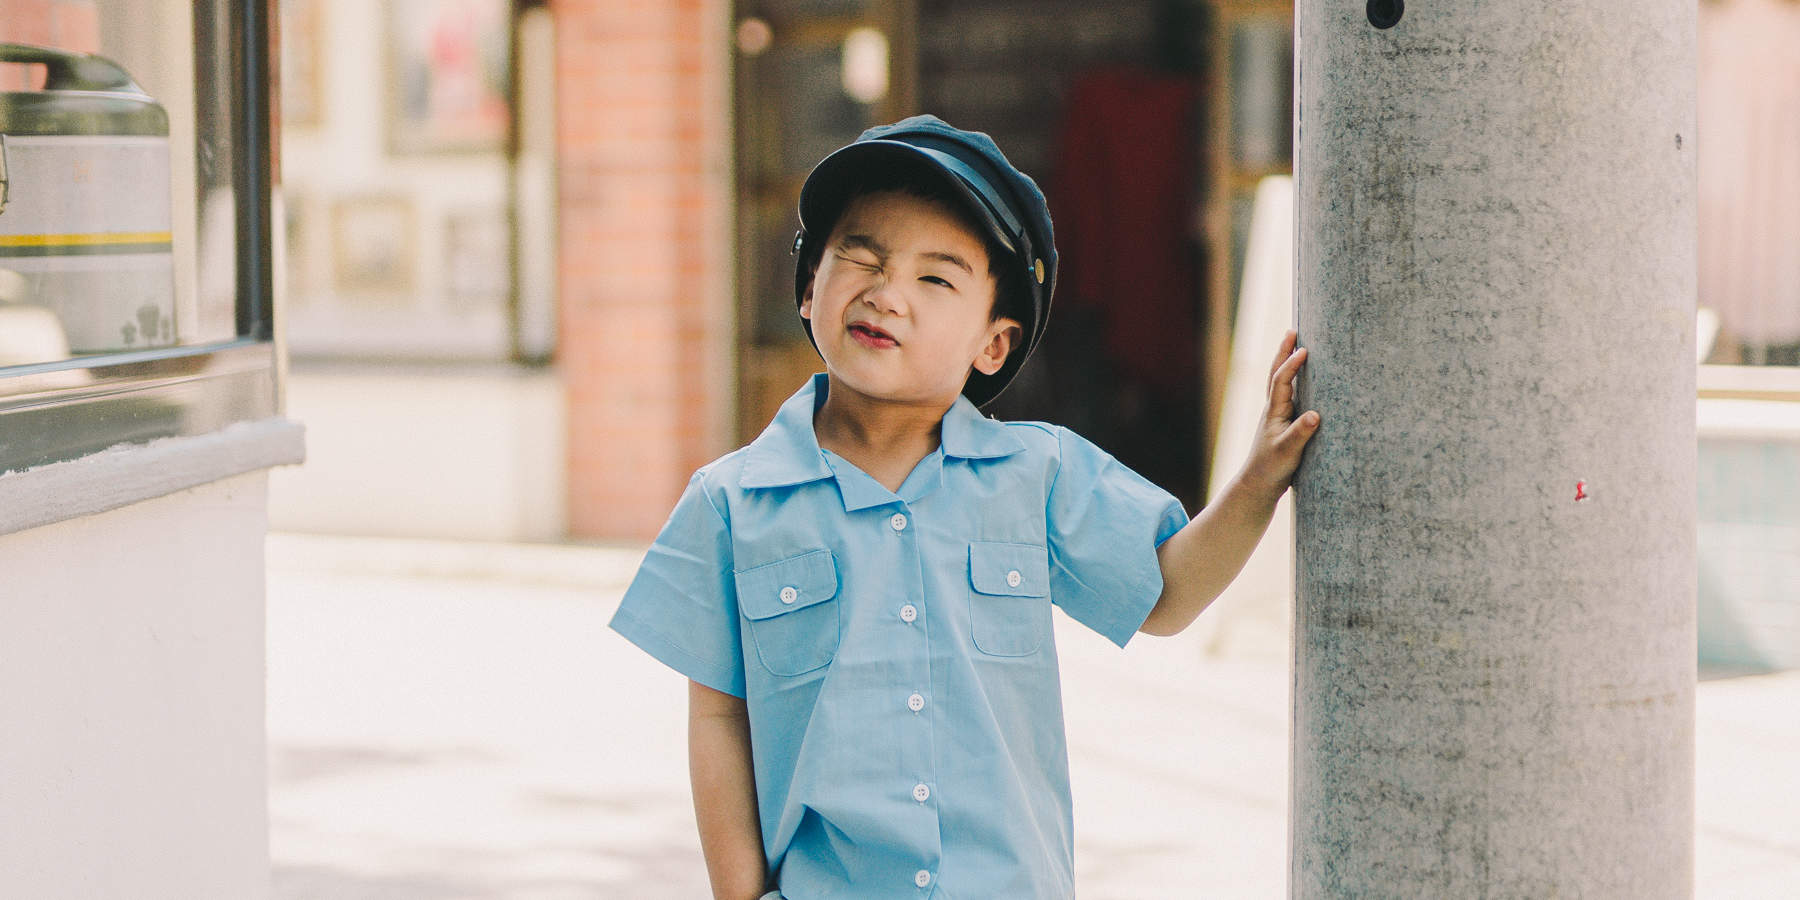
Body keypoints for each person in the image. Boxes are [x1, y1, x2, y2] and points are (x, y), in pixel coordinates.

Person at [608, 115, 1319, 899]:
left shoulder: (1038, 472)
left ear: (994, 343)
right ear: (810, 288)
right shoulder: (730, 505)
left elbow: (1168, 595)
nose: (887, 294)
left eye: (935, 278)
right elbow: (718, 720)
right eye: (861, 257)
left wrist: (1259, 482)